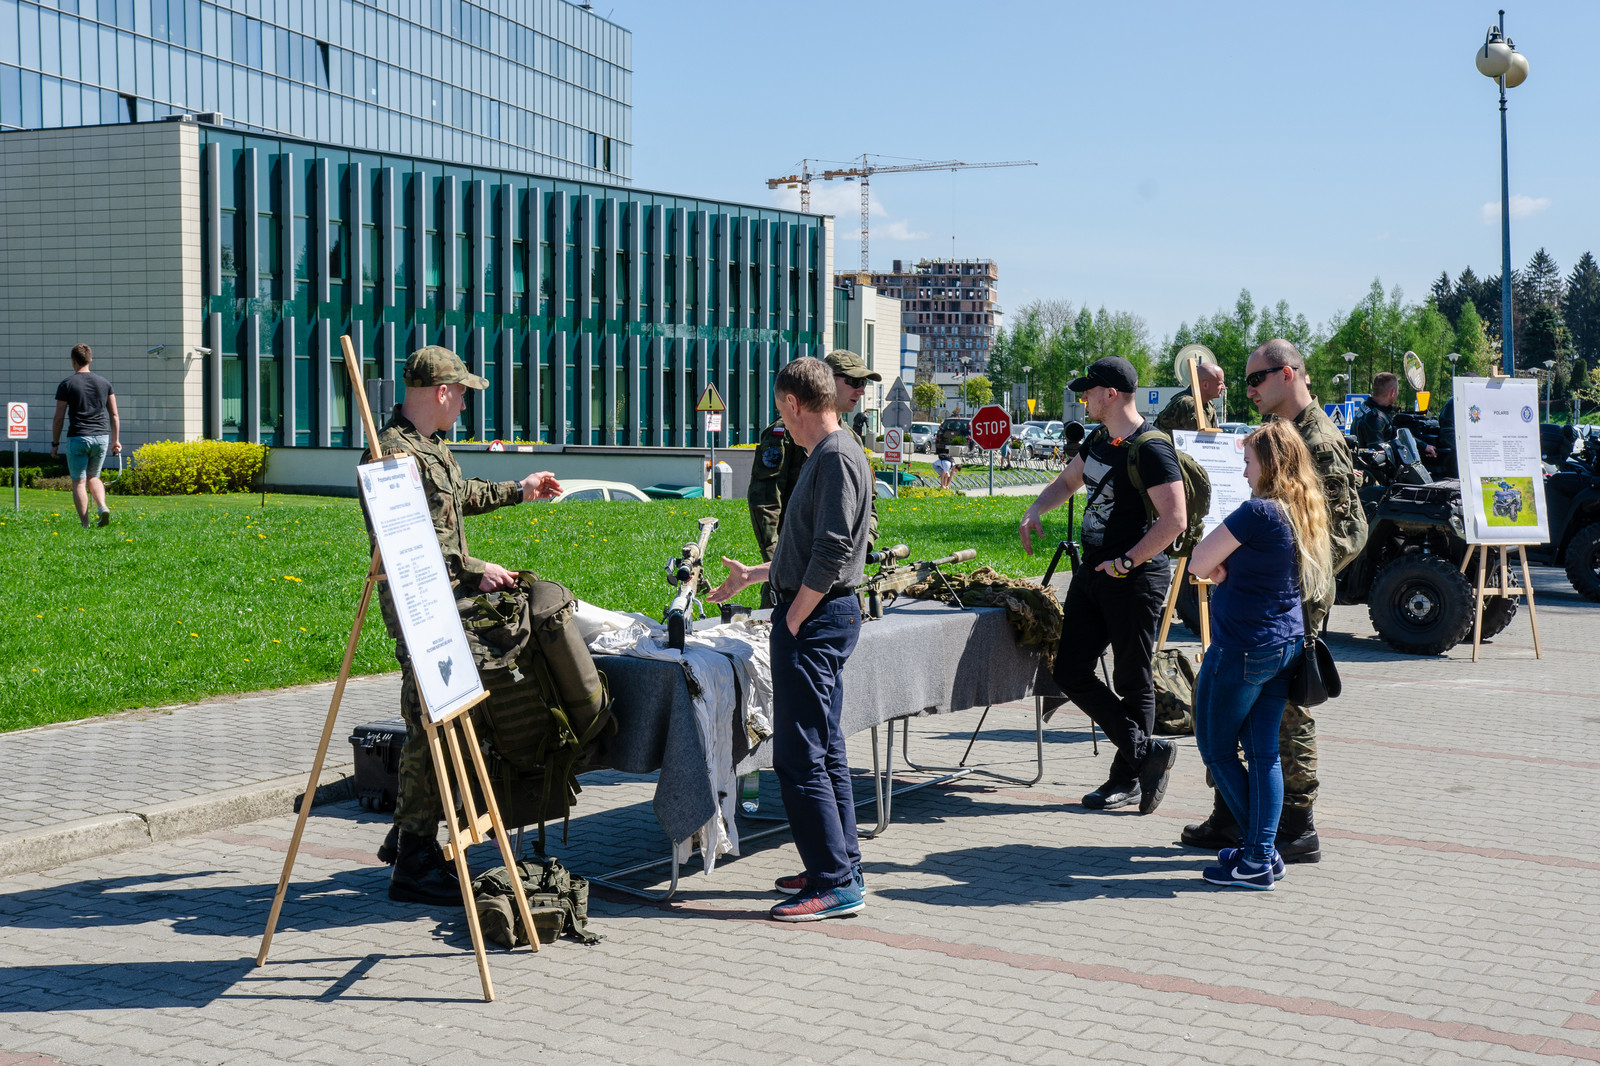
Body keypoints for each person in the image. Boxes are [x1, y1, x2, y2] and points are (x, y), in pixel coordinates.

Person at [362, 345, 562, 906]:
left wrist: (519, 490)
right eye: (463, 395)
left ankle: (409, 832)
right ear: (443, 392)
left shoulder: (431, 446)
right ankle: (414, 861)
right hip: (417, 603)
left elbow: (456, 499)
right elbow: (404, 542)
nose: (466, 406)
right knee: (431, 724)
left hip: (444, 600)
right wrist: (476, 570)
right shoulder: (388, 455)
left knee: (439, 717)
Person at [1182, 338, 1368, 863]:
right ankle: (1232, 813)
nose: (1248, 390)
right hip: (1260, 596)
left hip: (1291, 600)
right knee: (1242, 708)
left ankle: (1296, 823)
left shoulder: (1318, 440)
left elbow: (1349, 531)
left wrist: (1285, 571)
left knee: (1286, 713)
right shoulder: (1280, 433)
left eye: (1255, 379)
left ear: (1287, 374)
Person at [710, 356, 874, 922]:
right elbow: (808, 548)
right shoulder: (831, 453)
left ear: (792, 403)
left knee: (799, 756)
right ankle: (840, 865)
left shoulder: (835, 457)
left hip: (817, 619)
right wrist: (757, 575)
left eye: (780, 411)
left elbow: (831, 552)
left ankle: (834, 881)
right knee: (825, 750)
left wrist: (794, 618)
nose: (781, 422)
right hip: (820, 615)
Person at [1018, 356, 1186, 814]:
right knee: (1069, 670)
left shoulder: (1151, 448)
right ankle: (1146, 753)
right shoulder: (1098, 438)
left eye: (1089, 391)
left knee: (1133, 678)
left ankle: (1126, 777)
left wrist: (1128, 560)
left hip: (1135, 577)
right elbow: (1068, 481)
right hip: (1094, 571)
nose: (1083, 398)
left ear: (1111, 394)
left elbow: (1175, 519)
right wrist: (1035, 509)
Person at [1187, 419, 1331, 889]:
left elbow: (1198, 561)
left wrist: (1219, 569)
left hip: (1243, 647)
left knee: (1216, 750)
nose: (1244, 472)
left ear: (1269, 465)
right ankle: (1261, 856)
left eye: (1248, 462)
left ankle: (1257, 855)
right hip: (1284, 646)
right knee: (1263, 753)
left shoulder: (1259, 512)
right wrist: (1224, 568)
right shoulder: (1300, 508)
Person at [748, 349, 880, 604]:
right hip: (792, 579)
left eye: (864, 383)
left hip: (838, 579)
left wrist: (858, 552)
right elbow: (765, 502)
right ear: (826, 380)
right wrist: (779, 564)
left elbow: (868, 505)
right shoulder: (787, 431)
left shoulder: (850, 439)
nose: (861, 390)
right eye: (854, 381)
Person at [51, 344, 120, 528]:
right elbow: (114, 414)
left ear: (73, 361)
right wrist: (115, 440)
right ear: (90, 360)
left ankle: (85, 524)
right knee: (94, 477)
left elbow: (58, 418)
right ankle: (102, 506)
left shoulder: (66, 384)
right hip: (101, 437)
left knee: (79, 481)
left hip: (78, 436)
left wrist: (55, 443)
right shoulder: (105, 383)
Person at [1353, 371, 1437, 457]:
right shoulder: (1376, 418)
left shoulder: (1367, 406)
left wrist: (1423, 446)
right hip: (1367, 464)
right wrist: (1400, 450)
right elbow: (1377, 454)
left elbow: (1395, 432)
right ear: (1392, 393)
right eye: (1397, 391)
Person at [1156, 362, 1226, 434]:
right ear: (1205, 385)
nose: (1223, 387)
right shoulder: (1189, 404)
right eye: (1220, 384)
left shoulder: (1209, 405)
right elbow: (1198, 437)